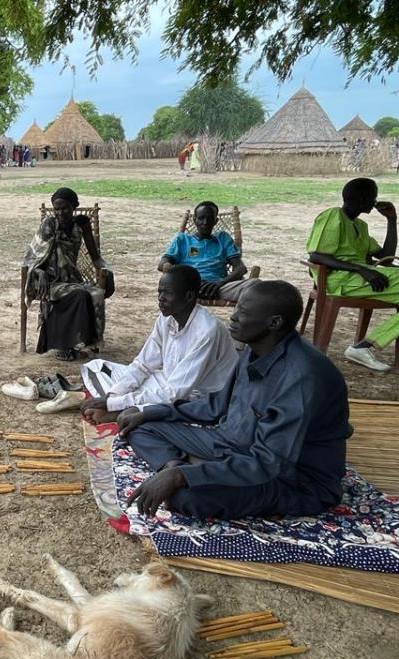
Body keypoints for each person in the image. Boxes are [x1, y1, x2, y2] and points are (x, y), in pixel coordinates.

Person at [118, 281, 351, 521]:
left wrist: (183, 478)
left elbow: (268, 462)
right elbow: (215, 407)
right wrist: (149, 412)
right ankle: (175, 465)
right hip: (232, 445)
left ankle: (188, 471)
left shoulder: (302, 376)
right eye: (236, 309)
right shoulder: (255, 348)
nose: (233, 317)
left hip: (291, 478)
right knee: (140, 426)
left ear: (274, 323)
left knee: (185, 498)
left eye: (243, 313)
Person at [78, 266, 237, 424]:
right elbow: (143, 365)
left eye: (167, 293)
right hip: (170, 382)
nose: (160, 298)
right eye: (159, 292)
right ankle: (127, 408)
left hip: (201, 396)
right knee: (98, 367)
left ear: (189, 296)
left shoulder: (206, 330)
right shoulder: (166, 318)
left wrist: (113, 404)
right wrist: (111, 396)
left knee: (171, 402)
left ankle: (125, 412)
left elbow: (176, 393)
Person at [306, 177, 398, 371]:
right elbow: (317, 255)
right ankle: (363, 347)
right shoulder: (333, 216)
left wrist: (392, 220)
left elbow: (387, 258)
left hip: (362, 279)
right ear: (363, 199)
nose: (376, 201)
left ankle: (364, 346)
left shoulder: (360, 226)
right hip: (337, 279)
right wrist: (361, 269)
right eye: (374, 196)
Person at [23, 187, 114, 360]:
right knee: (79, 294)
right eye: (56, 209)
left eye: (65, 208)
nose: (60, 212)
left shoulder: (81, 225)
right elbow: (32, 256)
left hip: (71, 279)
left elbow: (96, 257)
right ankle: (63, 345)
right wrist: (39, 271)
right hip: (48, 281)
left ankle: (85, 341)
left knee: (95, 293)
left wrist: (107, 270)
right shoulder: (49, 224)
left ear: (74, 207)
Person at [159, 200, 258, 302]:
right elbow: (162, 263)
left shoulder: (223, 238)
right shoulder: (183, 239)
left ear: (216, 221)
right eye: (201, 218)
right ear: (194, 220)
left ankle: (238, 317)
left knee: (255, 285)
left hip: (218, 288)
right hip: (188, 287)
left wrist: (220, 282)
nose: (205, 222)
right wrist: (184, 279)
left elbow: (240, 268)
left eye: (210, 218)